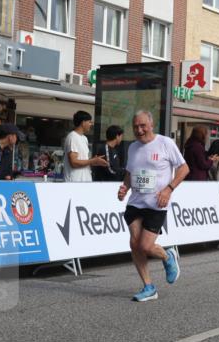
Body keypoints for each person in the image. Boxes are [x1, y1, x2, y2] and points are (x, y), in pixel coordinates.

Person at [118, 110, 190, 303]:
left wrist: (168, 189)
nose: (139, 130)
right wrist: (125, 187)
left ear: (151, 125)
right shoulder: (133, 147)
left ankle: (167, 256)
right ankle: (148, 286)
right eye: (135, 127)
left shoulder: (165, 143)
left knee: (145, 246)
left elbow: (184, 169)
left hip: (156, 204)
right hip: (135, 202)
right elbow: (130, 172)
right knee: (134, 243)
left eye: (142, 126)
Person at [62, 110, 107, 182]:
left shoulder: (84, 138)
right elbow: (74, 163)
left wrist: (95, 162)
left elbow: (85, 161)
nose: (91, 124)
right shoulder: (72, 137)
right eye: (89, 122)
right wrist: (92, 160)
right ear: (83, 123)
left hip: (85, 181)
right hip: (75, 182)